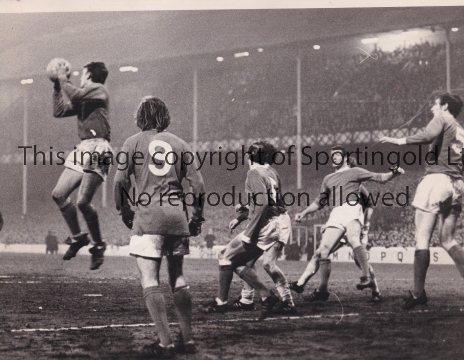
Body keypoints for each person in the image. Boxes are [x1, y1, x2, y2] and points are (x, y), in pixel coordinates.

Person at [114, 96, 205, 358]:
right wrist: (197, 218)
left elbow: (120, 182)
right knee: (177, 277)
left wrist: (124, 209)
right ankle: (188, 339)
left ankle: (165, 343)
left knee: (150, 279)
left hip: (148, 219)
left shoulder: (132, 143)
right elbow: (198, 186)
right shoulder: (180, 143)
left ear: (140, 117)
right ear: (165, 116)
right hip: (177, 219)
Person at [381, 93, 464, 310]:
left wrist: (398, 140)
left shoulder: (443, 118)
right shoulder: (461, 130)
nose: (432, 109)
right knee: (447, 239)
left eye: (435, 105)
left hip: (436, 180)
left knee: (422, 237)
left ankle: (418, 294)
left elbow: (427, 135)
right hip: (456, 184)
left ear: (445, 106)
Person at [290, 146, 404, 302]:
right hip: (337, 213)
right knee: (322, 251)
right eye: (332, 155)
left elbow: (381, 178)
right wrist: (304, 213)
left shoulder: (355, 172)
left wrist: (394, 173)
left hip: (352, 208)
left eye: (337, 154)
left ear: (344, 157)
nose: (334, 157)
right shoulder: (328, 179)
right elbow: (319, 202)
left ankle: (369, 282)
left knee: (353, 240)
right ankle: (320, 289)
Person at [198, 141, 287, 320]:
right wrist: (242, 215)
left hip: (265, 225)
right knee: (237, 262)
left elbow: (262, 204)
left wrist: (251, 232)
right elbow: (273, 203)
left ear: (253, 156)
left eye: (248, 154)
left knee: (224, 255)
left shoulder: (254, 173)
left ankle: (221, 303)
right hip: (279, 222)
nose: (246, 157)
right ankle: (265, 296)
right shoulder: (272, 172)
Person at [51, 61, 111, 270]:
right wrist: (57, 87)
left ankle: (98, 246)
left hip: (99, 148)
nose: (80, 77)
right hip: (83, 147)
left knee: (83, 202)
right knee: (59, 194)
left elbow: (75, 95)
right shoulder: (84, 97)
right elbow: (59, 111)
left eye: (82, 74)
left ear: (89, 76)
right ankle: (78, 237)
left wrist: (62, 77)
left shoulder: (98, 90)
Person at [226, 192, 297, 314]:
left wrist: (243, 211)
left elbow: (264, 207)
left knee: (268, 264)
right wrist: (241, 216)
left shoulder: (258, 177)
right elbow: (259, 208)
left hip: (276, 223)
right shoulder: (261, 179)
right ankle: (246, 300)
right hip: (268, 221)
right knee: (248, 262)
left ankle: (288, 302)